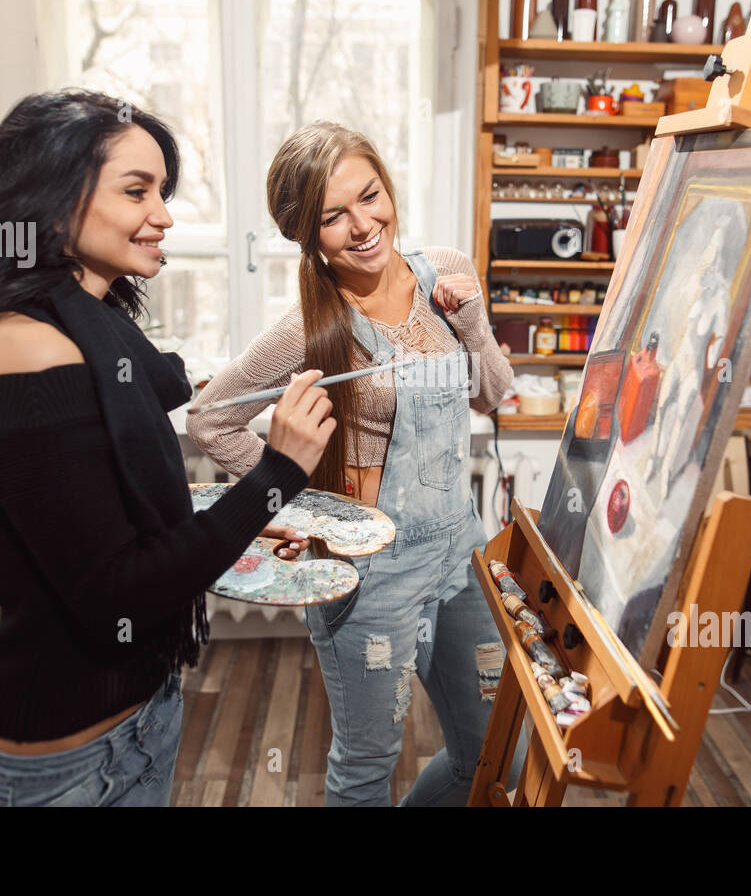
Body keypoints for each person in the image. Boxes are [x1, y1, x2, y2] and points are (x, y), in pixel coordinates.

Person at [0, 90, 335, 806]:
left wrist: (227, 495)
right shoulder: (26, 361)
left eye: (163, 190)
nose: (165, 215)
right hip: (69, 766)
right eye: (136, 190)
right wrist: (278, 471)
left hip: (137, 721)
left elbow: (117, 480)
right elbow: (121, 590)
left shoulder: (84, 328)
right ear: (54, 201)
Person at [187, 121, 519, 806]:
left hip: (462, 552)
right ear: (306, 234)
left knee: (494, 754)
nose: (364, 225)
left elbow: (492, 395)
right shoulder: (310, 328)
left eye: (370, 197)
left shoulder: (448, 275)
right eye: (334, 217)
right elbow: (209, 418)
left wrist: (475, 329)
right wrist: (306, 500)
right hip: (371, 577)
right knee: (367, 768)